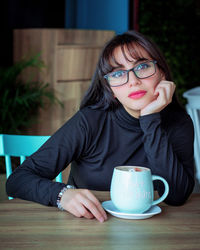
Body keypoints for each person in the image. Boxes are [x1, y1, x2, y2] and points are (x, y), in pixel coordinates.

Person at [6, 30, 195, 223]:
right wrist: (62, 195)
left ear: (162, 73)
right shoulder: (90, 121)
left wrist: (150, 119)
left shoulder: (179, 123)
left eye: (143, 66)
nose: (133, 81)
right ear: (110, 89)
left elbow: (177, 196)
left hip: (156, 231)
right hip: (86, 228)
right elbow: (17, 180)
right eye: (119, 73)